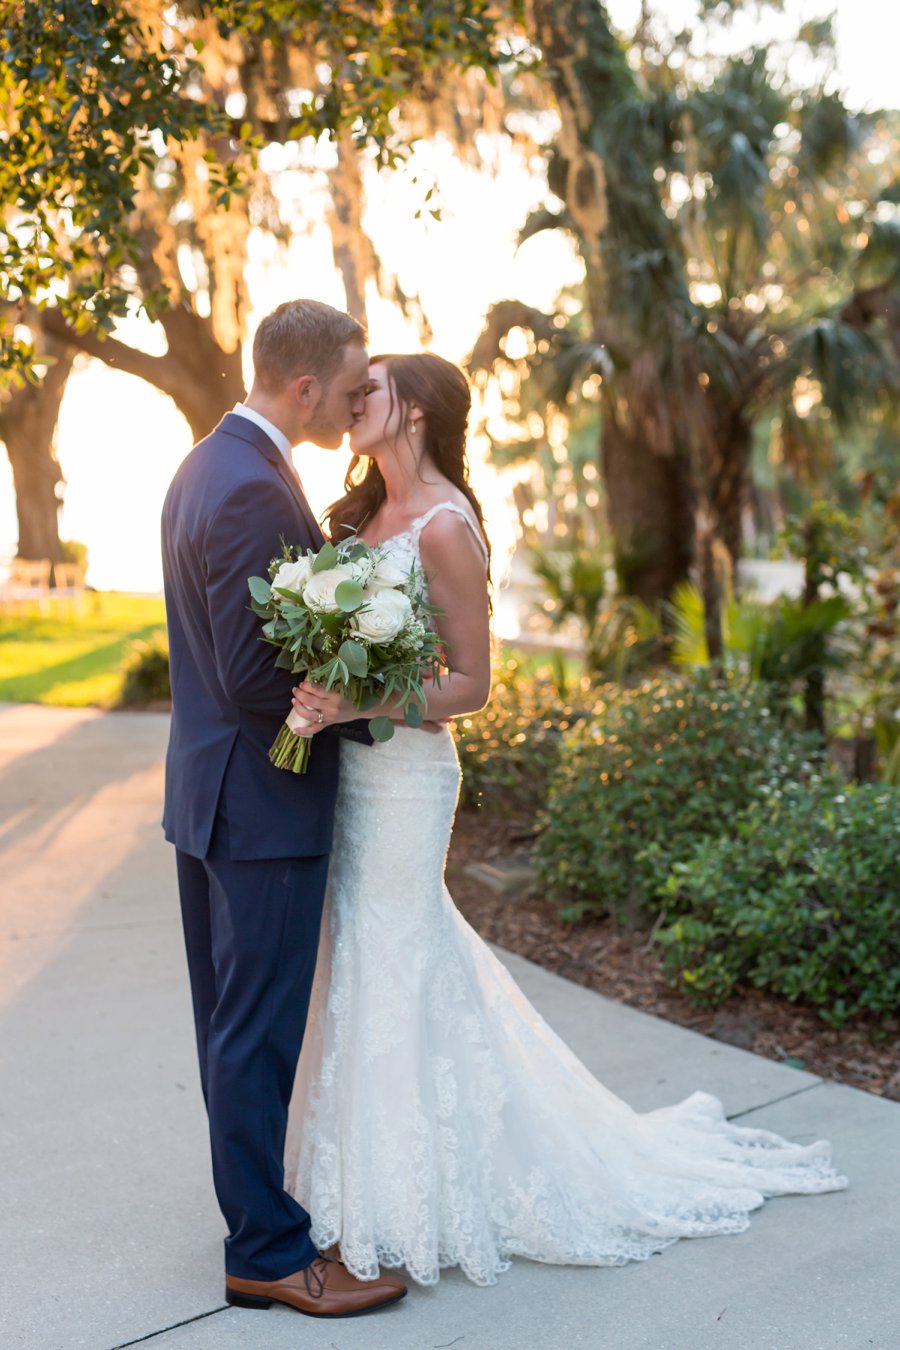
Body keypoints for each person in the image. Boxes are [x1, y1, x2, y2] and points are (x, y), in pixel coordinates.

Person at [283, 351, 847, 1288]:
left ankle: (405, 1197)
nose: (353, 402)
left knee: (395, 952)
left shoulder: (444, 526)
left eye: (371, 389)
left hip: (409, 776)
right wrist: (326, 689)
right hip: (350, 773)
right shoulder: (358, 518)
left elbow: (473, 684)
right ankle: (349, 1181)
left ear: (415, 412)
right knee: (356, 955)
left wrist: (360, 700)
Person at [161, 299, 407, 1318]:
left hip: (215, 794)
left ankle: (259, 1226)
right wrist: (363, 703)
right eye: (350, 389)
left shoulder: (206, 467)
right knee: (253, 1033)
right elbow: (259, 674)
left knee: (234, 1027)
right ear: (304, 388)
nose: (357, 403)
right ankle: (267, 1249)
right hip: (261, 802)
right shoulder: (254, 490)